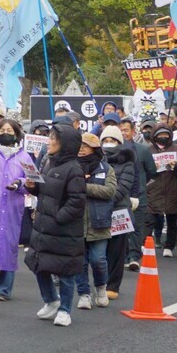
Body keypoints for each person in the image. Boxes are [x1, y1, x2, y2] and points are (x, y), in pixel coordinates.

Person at [24, 123, 87, 327]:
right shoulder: (48, 163)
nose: (49, 142)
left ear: (65, 144)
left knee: (65, 271)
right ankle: (51, 300)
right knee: (38, 264)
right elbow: (46, 192)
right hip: (43, 227)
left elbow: (77, 202)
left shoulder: (74, 169)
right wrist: (33, 188)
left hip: (64, 230)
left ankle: (65, 309)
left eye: (53, 139)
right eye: (49, 137)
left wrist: (59, 217)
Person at [0, 119, 34, 301]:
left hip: (12, 208)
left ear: (16, 133)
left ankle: (4, 290)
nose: (6, 133)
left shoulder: (24, 157)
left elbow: (34, 182)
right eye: (2, 130)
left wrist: (20, 184)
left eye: (10, 130)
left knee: (8, 249)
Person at [76, 133, 117, 310]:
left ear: (95, 148)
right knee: (80, 262)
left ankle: (101, 288)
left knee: (98, 259)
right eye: (80, 145)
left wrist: (85, 187)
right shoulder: (72, 167)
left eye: (86, 145)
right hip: (75, 222)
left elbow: (109, 191)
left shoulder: (106, 169)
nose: (82, 148)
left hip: (99, 222)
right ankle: (83, 293)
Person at [100, 125, 138, 299]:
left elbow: (123, 186)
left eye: (113, 140)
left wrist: (103, 196)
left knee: (117, 250)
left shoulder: (127, 161)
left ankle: (113, 285)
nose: (109, 144)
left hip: (119, 210)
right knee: (99, 251)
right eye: (106, 140)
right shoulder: (96, 161)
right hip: (98, 210)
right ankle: (100, 283)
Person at [118, 117, 157, 277]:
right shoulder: (111, 151)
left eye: (126, 130)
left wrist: (140, 184)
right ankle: (122, 255)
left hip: (138, 196)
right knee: (120, 228)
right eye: (120, 130)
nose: (123, 133)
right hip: (119, 196)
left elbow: (152, 171)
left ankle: (133, 256)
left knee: (136, 226)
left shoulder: (142, 150)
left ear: (133, 131)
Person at [146, 125, 177, 257]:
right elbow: (142, 167)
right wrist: (152, 167)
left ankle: (169, 246)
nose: (163, 137)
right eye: (160, 135)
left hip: (172, 187)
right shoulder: (148, 150)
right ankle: (145, 244)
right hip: (153, 188)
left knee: (172, 218)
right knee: (150, 218)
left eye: (166, 135)